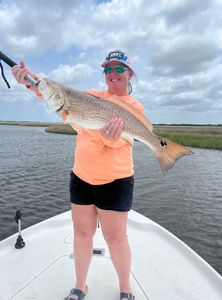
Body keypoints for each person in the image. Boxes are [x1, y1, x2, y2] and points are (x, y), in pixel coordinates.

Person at [12, 49, 144, 300]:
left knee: (115, 240)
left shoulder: (134, 107)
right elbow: (61, 96)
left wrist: (113, 139)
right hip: (82, 177)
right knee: (82, 235)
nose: (112, 74)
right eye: (108, 69)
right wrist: (30, 81)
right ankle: (80, 286)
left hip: (116, 181)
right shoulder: (92, 97)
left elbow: (126, 143)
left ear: (129, 73)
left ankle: (126, 289)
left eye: (118, 69)